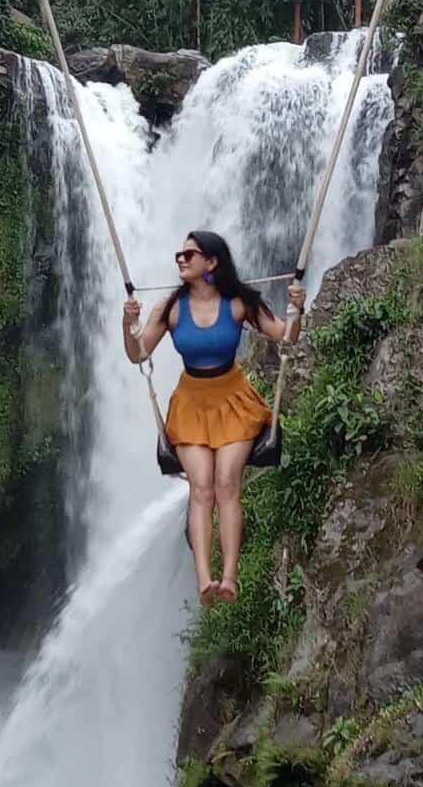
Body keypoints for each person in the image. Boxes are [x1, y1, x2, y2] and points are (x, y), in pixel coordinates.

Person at [123, 231, 306, 607]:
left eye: (189, 253)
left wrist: (296, 311)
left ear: (212, 262)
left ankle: (229, 578)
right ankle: (204, 580)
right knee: (201, 488)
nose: (181, 259)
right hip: (191, 404)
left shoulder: (238, 303)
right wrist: (128, 325)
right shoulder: (170, 308)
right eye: (179, 253)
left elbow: (285, 338)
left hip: (234, 400)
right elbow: (138, 355)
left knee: (226, 484)